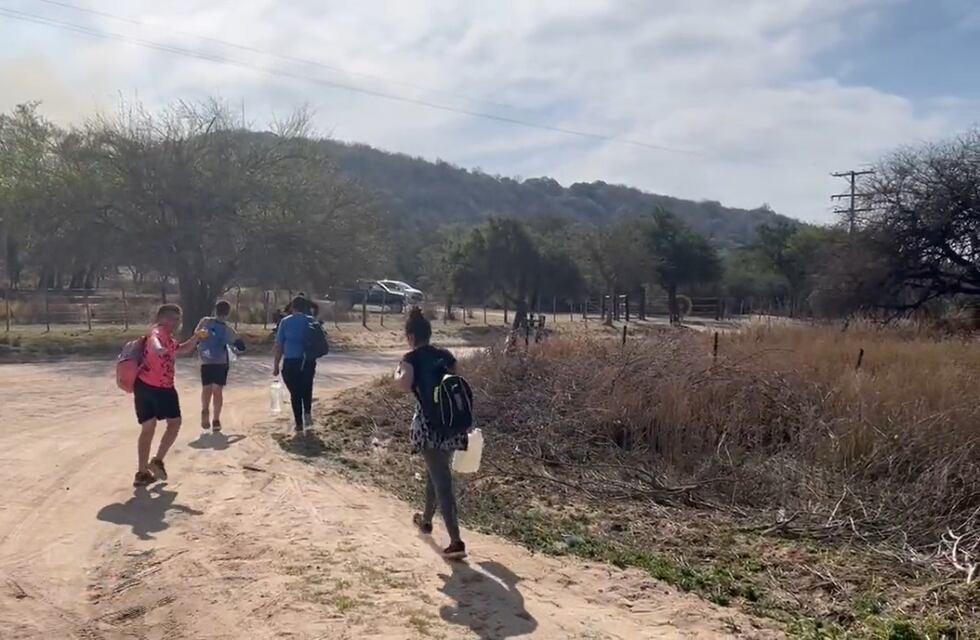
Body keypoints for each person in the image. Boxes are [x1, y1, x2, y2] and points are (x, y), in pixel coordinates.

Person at [394, 308, 467, 559]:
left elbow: (404, 385)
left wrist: (398, 372)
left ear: (411, 337)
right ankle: (426, 521)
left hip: (429, 427)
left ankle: (456, 541)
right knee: (435, 473)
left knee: (442, 481)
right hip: (452, 424)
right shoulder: (446, 356)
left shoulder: (410, 358)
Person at [133, 304, 206, 487]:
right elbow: (154, 341)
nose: (174, 322)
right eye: (170, 318)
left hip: (150, 387)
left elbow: (182, 349)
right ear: (160, 318)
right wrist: (158, 349)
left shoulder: (169, 339)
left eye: (177, 319)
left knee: (159, 426)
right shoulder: (157, 333)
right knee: (161, 426)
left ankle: (145, 470)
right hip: (156, 388)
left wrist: (196, 338)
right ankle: (151, 464)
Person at [194, 300, 246, 432]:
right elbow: (241, 346)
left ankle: (207, 412)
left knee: (207, 388)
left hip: (209, 361)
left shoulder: (208, 322)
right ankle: (214, 418)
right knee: (216, 390)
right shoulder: (225, 328)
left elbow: (197, 335)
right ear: (228, 313)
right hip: (217, 362)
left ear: (215, 310)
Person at [273, 296, 316, 432]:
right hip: (308, 361)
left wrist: (276, 365)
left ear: (292, 307)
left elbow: (279, 346)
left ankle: (299, 423)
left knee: (295, 392)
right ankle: (307, 413)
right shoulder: (311, 321)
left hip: (291, 361)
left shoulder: (285, 322)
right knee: (307, 388)